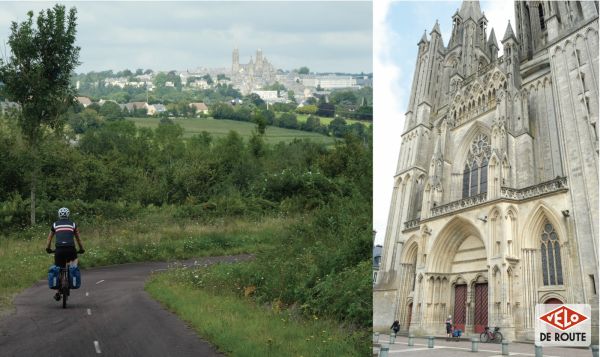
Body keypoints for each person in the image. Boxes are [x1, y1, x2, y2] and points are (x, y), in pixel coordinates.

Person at [45, 207, 85, 300]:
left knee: (58, 267)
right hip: (71, 250)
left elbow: (49, 238)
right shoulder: (73, 224)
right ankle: (70, 281)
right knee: (73, 264)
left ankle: (58, 291)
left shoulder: (55, 224)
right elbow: (78, 239)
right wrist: (81, 249)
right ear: (68, 215)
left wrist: (48, 248)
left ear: (59, 215)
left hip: (59, 250)